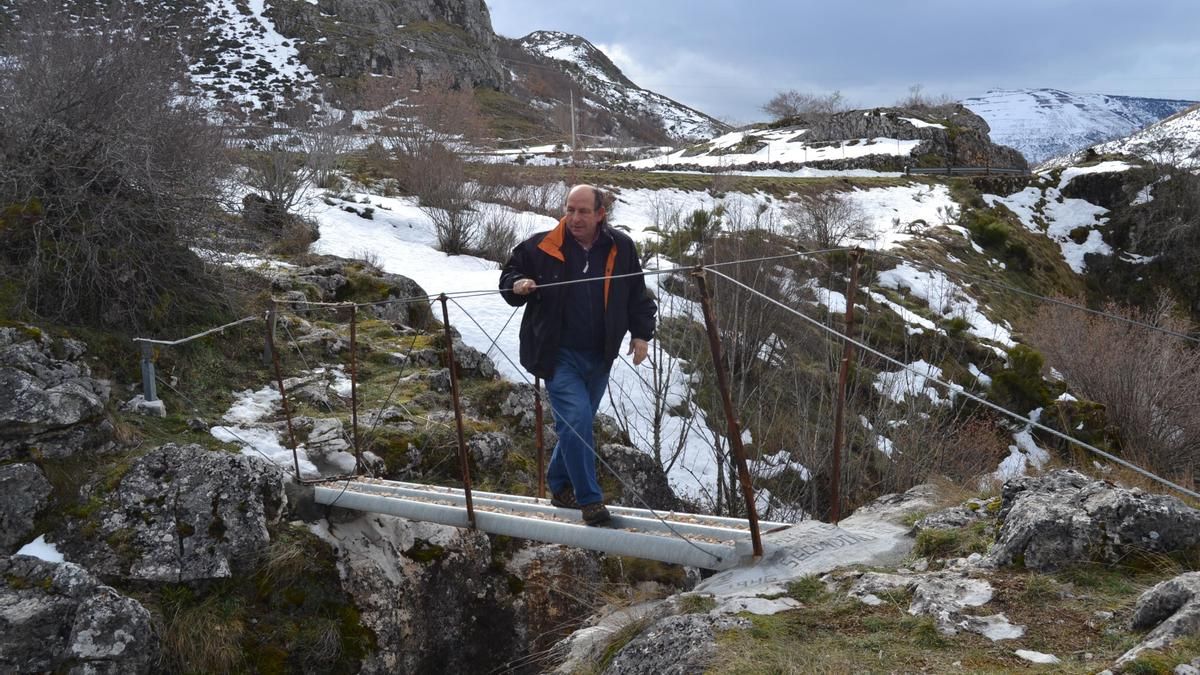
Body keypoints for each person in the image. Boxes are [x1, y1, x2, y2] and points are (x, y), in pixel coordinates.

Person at [500, 185, 657, 525]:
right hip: (558, 355)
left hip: (601, 356)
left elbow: (635, 294)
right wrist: (518, 284)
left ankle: (559, 485)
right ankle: (590, 500)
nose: (574, 218)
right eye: (570, 209)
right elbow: (508, 277)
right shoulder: (543, 245)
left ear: (601, 214)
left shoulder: (621, 247)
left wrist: (642, 334)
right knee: (578, 422)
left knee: (575, 427)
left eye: (583, 211)